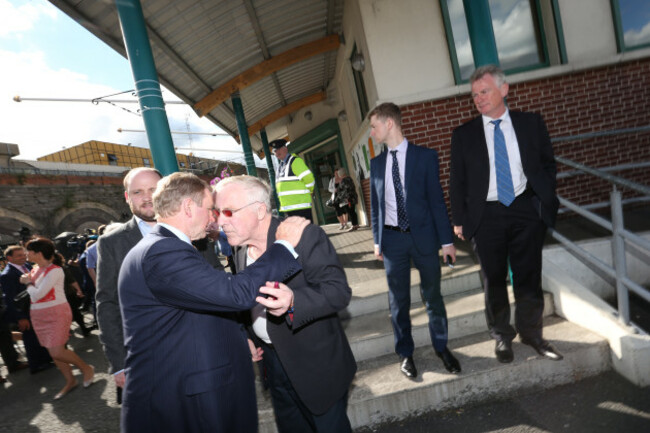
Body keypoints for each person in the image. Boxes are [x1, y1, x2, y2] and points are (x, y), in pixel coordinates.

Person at [118, 172, 308, 433]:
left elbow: (195, 311)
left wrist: (239, 337)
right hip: (188, 400)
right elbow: (235, 294)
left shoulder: (166, 247)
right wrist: (283, 246)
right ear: (188, 207)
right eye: (209, 210)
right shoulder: (162, 252)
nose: (213, 218)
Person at [215, 175, 357, 433]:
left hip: (316, 368)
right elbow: (246, 298)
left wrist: (294, 302)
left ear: (259, 210)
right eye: (217, 212)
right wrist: (247, 335)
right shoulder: (239, 248)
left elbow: (338, 292)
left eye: (228, 211)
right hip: (272, 366)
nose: (220, 221)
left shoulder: (305, 235)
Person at [449, 65, 562, 364]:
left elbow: (548, 164)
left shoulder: (530, 123)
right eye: (474, 94)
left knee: (528, 275)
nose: (478, 98)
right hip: (486, 216)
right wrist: (458, 219)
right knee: (493, 279)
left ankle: (533, 333)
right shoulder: (464, 135)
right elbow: (456, 180)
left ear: (504, 89)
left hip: (526, 209)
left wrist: (543, 199)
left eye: (484, 91)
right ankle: (501, 336)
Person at [369, 102, 460, 378]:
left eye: (374, 126)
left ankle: (442, 348)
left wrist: (447, 241)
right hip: (393, 242)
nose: (371, 132)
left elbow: (437, 202)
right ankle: (405, 354)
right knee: (399, 301)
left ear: (389, 124)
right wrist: (377, 241)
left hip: (424, 239)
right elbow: (375, 206)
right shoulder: (376, 164)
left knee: (433, 296)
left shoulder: (425, 157)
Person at [95, 167, 162, 401]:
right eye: (137, 192)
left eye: (153, 189)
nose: (147, 197)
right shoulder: (112, 243)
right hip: (144, 359)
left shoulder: (192, 231)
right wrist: (119, 363)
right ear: (127, 197)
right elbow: (107, 303)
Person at [20, 237, 94, 400]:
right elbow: (35, 294)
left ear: (38, 253)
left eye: (28, 251)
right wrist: (28, 280)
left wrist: (27, 283)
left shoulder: (55, 270)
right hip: (38, 315)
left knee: (57, 350)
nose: (26, 254)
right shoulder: (34, 269)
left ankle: (86, 368)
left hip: (56, 313)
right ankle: (70, 381)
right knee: (54, 352)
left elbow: (38, 294)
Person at [1, 245, 53, 374]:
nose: (23, 257)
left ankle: (46, 359)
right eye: (19, 255)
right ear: (9, 258)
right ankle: (35, 365)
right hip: (24, 311)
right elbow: (10, 298)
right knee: (30, 337)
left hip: (36, 306)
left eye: (24, 254)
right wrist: (20, 317)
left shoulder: (28, 266)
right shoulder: (7, 274)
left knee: (39, 334)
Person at [270, 138, 315, 221]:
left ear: (285, 148)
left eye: (279, 149)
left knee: (306, 233)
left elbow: (309, 179)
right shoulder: (280, 166)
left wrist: (310, 192)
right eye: (275, 151)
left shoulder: (295, 161)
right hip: (289, 209)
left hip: (300, 207)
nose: (277, 152)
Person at [335, 167, 360, 232]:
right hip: (352, 198)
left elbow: (345, 191)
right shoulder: (349, 178)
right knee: (353, 212)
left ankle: (354, 225)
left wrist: (339, 197)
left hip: (348, 199)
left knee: (350, 212)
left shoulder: (344, 180)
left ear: (341, 174)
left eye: (339, 174)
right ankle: (356, 224)